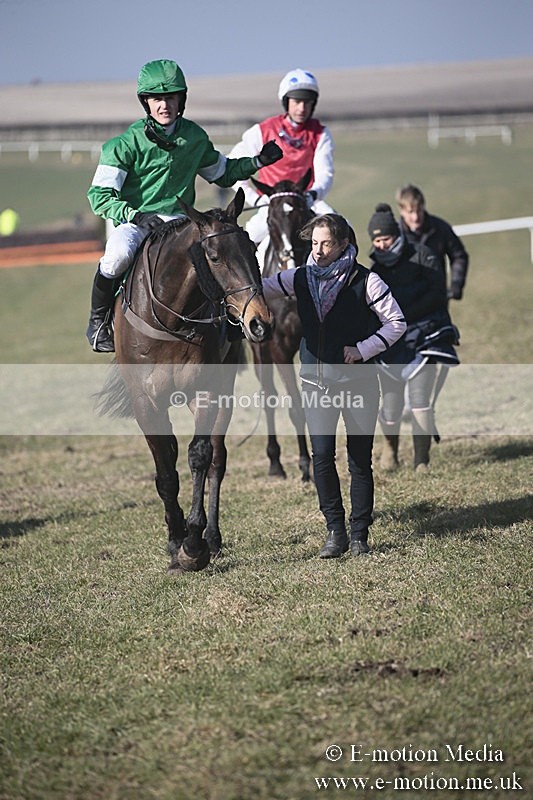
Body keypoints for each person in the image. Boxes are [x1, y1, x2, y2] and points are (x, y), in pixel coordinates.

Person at [86, 58, 283, 352]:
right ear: (146, 103)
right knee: (116, 256)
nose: (164, 105)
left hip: (181, 223)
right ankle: (99, 322)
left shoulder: (194, 137)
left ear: (181, 100)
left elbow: (222, 173)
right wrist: (136, 216)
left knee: (219, 251)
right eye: (156, 99)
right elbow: (99, 197)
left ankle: (231, 321)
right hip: (135, 222)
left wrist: (256, 162)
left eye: (171, 97)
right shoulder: (123, 145)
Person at [261, 214, 406, 559]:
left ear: (343, 244)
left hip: (359, 383)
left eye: (326, 243)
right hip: (315, 383)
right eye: (314, 243)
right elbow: (258, 289)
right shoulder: (298, 277)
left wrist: (363, 350)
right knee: (321, 458)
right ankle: (335, 532)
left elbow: (396, 323)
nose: (319, 250)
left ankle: (359, 535)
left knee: (359, 461)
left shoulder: (367, 281)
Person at [367, 203, 460, 472]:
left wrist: (402, 315)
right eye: (376, 240)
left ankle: (422, 460)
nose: (381, 245)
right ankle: (390, 452)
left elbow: (436, 296)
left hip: (426, 335)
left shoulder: (424, 255)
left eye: (385, 238)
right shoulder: (376, 269)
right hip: (392, 340)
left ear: (396, 235)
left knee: (420, 399)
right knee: (392, 402)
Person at [228, 68, 335, 255]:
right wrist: (256, 199)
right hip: (270, 205)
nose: (302, 108)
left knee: (342, 230)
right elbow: (233, 168)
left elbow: (325, 174)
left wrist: (312, 195)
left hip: (306, 202)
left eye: (307, 103)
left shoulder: (321, 133)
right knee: (243, 245)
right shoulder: (261, 131)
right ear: (286, 102)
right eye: (297, 102)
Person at [395, 184, 469, 301]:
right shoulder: (394, 235)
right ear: (401, 211)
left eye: (419, 210)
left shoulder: (440, 228)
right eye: (410, 212)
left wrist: (456, 282)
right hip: (405, 304)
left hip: (437, 300)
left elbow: (459, 256)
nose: (415, 217)